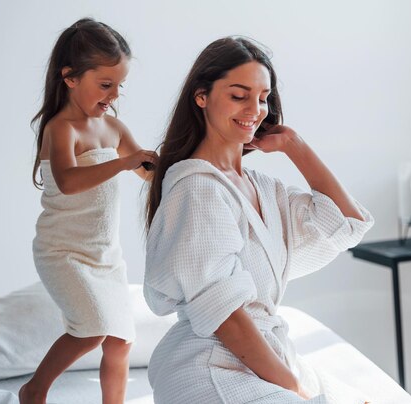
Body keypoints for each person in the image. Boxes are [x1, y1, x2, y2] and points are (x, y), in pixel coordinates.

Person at [143, 36, 374, 403]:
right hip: (210, 366)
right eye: (239, 95)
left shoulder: (262, 188)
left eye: (263, 97)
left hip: (261, 357)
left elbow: (345, 224)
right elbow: (226, 317)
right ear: (201, 96)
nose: (256, 108)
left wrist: (294, 145)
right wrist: (293, 387)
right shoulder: (198, 189)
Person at [20, 18, 157, 404]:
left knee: (120, 342)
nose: (113, 95)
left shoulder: (111, 126)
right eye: (105, 84)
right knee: (92, 330)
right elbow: (69, 181)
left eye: (119, 86)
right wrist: (122, 163)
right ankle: (34, 390)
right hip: (64, 253)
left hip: (105, 256)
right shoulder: (62, 129)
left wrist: (181, 167)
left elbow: (148, 170)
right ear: (70, 77)